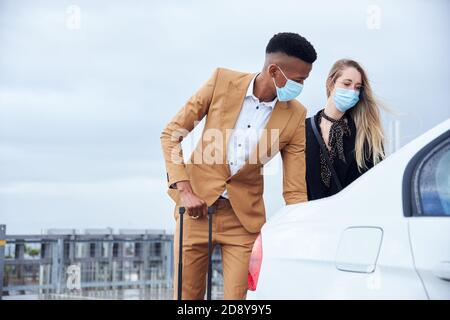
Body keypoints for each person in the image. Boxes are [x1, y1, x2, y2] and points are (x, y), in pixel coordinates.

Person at [160, 32, 317, 299]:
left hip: (244, 221)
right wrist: (185, 190)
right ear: (274, 70)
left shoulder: (296, 114)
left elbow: (294, 188)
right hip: (196, 211)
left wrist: (300, 229)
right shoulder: (222, 80)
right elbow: (172, 134)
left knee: (241, 300)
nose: (301, 86)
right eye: (299, 80)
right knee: (187, 298)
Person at [305, 59, 385, 201]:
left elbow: (376, 186)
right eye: (347, 84)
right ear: (331, 84)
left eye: (357, 87)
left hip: (349, 219)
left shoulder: (366, 135)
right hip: (310, 218)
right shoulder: (303, 129)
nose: (352, 92)